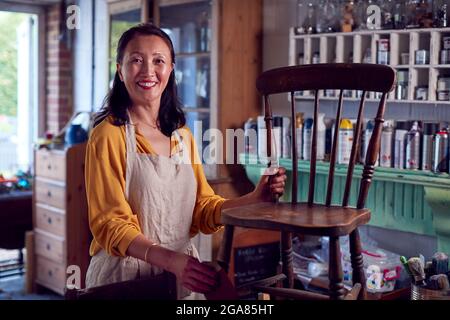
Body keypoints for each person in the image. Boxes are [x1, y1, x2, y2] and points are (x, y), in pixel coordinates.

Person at [84, 23, 287, 299]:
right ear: (120, 70)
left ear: (170, 69)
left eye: (158, 61)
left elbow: (202, 209)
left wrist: (253, 198)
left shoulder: (182, 136)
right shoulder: (108, 134)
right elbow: (110, 224)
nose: (147, 71)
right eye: (136, 60)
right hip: (125, 278)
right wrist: (171, 261)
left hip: (182, 277)